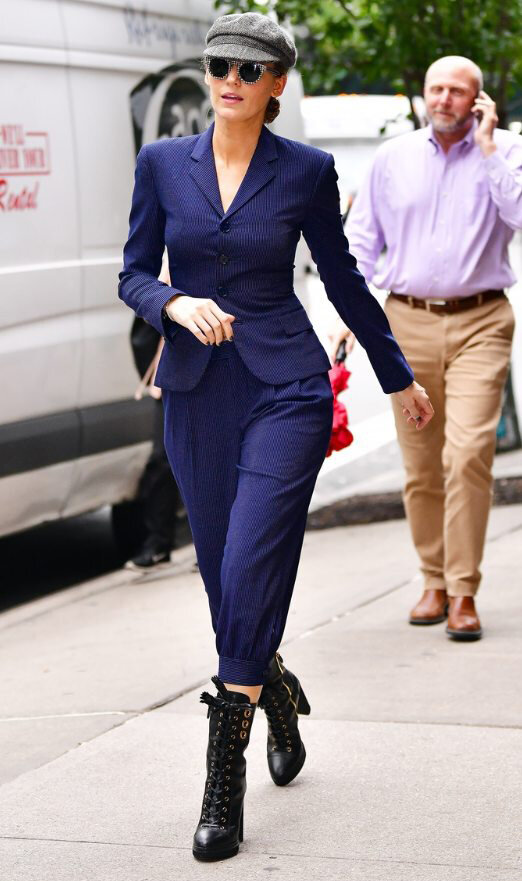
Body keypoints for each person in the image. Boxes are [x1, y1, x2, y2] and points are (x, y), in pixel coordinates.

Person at [118, 12, 433, 862]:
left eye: (249, 71)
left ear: (275, 86)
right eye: (220, 64)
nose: (230, 79)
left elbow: (342, 277)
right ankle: (275, 686)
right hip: (194, 391)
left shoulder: (306, 171)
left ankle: (224, 782)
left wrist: (396, 373)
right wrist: (172, 304)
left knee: (255, 553)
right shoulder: (161, 164)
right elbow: (134, 270)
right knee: (224, 571)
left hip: (284, 387)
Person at [338, 55, 520, 642]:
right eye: (435, 89)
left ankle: (464, 591)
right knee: (420, 464)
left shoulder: (506, 151)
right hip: (405, 323)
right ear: (423, 95)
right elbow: (362, 241)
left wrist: (491, 150)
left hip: (482, 321)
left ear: (478, 101)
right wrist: (350, 314)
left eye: (457, 91)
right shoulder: (392, 159)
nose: (444, 99)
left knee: (466, 454)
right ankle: (433, 580)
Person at [125, 253, 182, 571]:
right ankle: (159, 541)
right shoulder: (162, 258)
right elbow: (142, 317)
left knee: (217, 459)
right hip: (172, 373)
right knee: (163, 458)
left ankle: (222, 545)